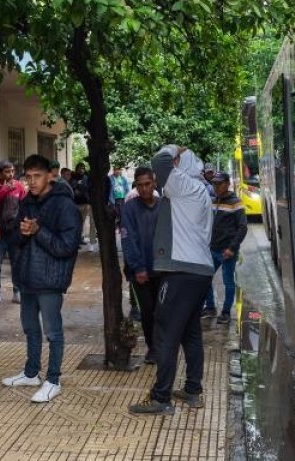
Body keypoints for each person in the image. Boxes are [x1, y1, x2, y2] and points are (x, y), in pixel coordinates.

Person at [129, 145, 214, 415]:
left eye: (177, 162)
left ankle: (161, 398)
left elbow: (159, 159)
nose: (171, 167)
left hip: (181, 273)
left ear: (182, 164)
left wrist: (174, 148)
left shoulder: (183, 184)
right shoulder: (201, 191)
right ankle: (192, 391)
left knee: (164, 333)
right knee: (191, 333)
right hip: (200, 272)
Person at [1, 155, 81, 403]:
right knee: (30, 327)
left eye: (37, 176)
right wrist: (23, 233)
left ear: (50, 175)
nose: (32, 181)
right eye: (28, 177)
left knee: (53, 331)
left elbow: (67, 246)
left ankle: (53, 380)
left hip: (50, 278)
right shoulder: (26, 202)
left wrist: (38, 231)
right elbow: (14, 239)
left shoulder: (64, 205)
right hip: (27, 276)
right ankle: (31, 373)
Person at [120, 167, 162, 364]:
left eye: (147, 184)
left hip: (162, 269)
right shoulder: (130, 208)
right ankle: (152, 347)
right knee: (147, 310)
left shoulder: (163, 205)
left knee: (163, 310)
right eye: (140, 185)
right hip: (140, 272)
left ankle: (162, 345)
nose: (144, 189)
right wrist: (138, 267)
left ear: (154, 183)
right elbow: (128, 240)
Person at [201, 172, 248, 324]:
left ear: (227, 184)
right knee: (205, 277)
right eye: (214, 183)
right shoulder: (213, 201)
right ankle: (210, 307)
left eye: (219, 183)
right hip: (212, 249)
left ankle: (226, 312)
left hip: (227, 251)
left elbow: (243, 228)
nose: (216, 186)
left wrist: (232, 248)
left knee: (228, 281)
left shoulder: (236, 203)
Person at [0, 160, 26, 306]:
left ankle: (17, 291)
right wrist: (4, 191)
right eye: (7, 171)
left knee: (16, 262)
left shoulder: (18, 186)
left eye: (13, 171)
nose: (11, 174)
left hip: (14, 231)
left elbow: (24, 205)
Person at [70, 163, 96, 251]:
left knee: (92, 223)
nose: (81, 170)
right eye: (79, 168)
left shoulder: (87, 177)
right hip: (77, 203)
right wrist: (76, 187)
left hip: (88, 203)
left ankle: (92, 242)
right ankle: (78, 240)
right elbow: (71, 188)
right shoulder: (73, 178)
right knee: (79, 223)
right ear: (76, 169)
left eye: (83, 168)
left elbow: (91, 188)